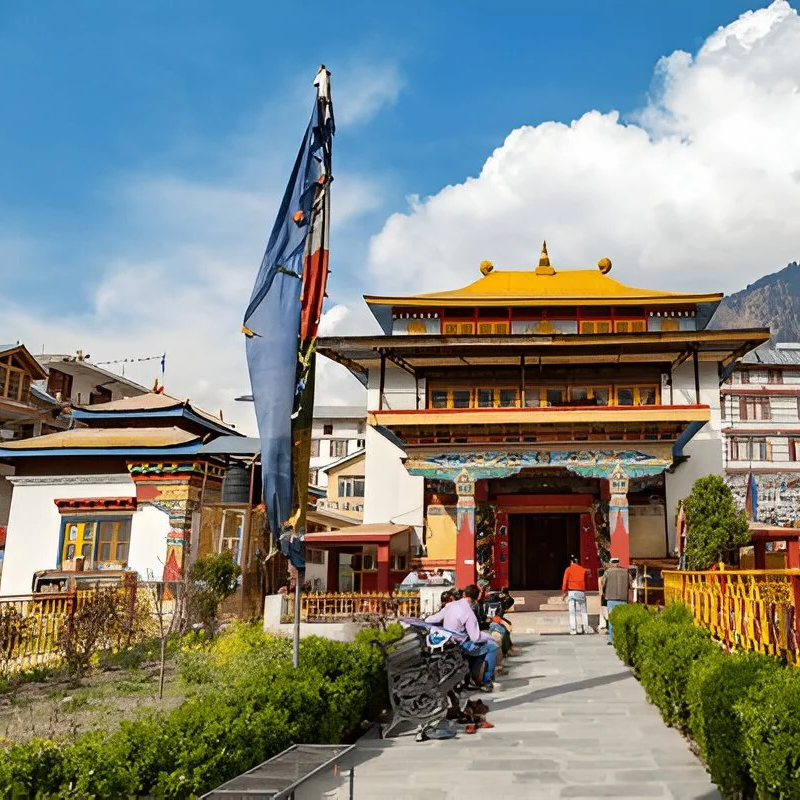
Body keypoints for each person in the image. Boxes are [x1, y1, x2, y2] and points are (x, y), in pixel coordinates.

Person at [425, 583, 500, 691]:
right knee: (492, 647)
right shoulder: (469, 613)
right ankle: (485, 681)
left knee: (481, 649)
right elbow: (475, 637)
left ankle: (473, 677)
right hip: (461, 644)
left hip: (447, 641)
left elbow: (431, 620)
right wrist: (489, 637)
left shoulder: (450, 605)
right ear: (476, 598)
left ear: (464, 594)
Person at [600, 557, 631, 645]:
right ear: (618, 562)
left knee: (612, 619)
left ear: (611, 563)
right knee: (622, 619)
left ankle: (611, 639)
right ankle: (621, 638)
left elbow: (603, 583)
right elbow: (630, 583)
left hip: (611, 598)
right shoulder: (626, 572)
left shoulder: (608, 572)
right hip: (623, 598)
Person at [561, 555, 590, 635]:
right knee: (584, 611)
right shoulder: (582, 570)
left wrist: (564, 592)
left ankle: (573, 630)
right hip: (581, 592)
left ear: (571, 562)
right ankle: (586, 629)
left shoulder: (568, 569)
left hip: (572, 592)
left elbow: (565, 581)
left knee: (572, 612)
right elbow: (587, 580)